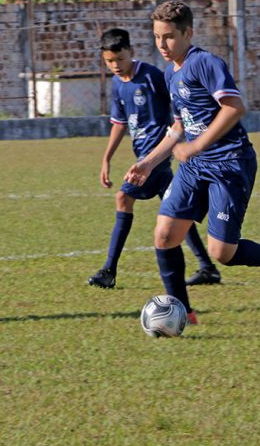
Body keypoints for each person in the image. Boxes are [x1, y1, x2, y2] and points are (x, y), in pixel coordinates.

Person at [124, 0, 260, 324]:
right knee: (164, 235)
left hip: (229, 162)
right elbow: (180, 125)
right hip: (195, 166)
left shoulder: (204, 63)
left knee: (223, 253)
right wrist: (148, 162)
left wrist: (196, 146)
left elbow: (234, 107)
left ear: (188, 33)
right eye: (157, 37)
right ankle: (182, 313)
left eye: (169, 37)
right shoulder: (169, 74)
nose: (162, 45)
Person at [88, 28, 221, 290]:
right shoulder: (117, 83)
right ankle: (207, 267)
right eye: (110, 61)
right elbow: (119, 123)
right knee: (176, 211)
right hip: (144, 157)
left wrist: (181, 138)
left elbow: (179, 108)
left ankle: (109, 270)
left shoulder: (152, 77)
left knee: (123, 198)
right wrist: (107, 159)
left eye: (120, 59)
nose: (116, 65)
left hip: (157, 155)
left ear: (132, 53)